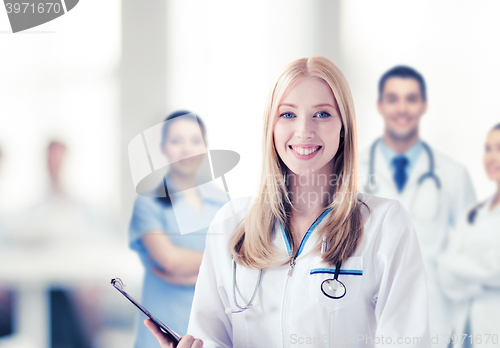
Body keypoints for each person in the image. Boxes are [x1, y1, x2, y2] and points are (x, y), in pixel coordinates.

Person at [145, 56, 431, 348]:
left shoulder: (384, 223)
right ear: (271, 127)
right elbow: (210, 336)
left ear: (344, 126)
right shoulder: (232, 222)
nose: (304, 130)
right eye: (288, 115)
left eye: (322, 114)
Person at [358, 66, 477, 347]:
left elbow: (472, 257)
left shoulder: (453, 176)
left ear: (423, 105)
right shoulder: (352, 173)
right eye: (393, 98)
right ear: (380, 105)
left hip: (439, 325)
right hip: (368, 323)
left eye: (411, 99)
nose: (402, 108)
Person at [129, 111, 227, 348]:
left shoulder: (224, 202)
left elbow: (238, 261)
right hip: (162, 332)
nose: (186, 149)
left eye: (194, 141)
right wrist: (214, 265)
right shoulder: (148, 202)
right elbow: (170, 261)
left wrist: (190, 272)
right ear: (163, 148)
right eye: (176, 141)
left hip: (210, 334)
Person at [437, 124, 500, 348]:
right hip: (462, 332)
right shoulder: (474, 213)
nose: (491, 157)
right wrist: (484, 282)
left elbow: (496, 266)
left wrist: (465, 271)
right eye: (488, 148)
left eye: (499, 148)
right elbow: (445, 271)